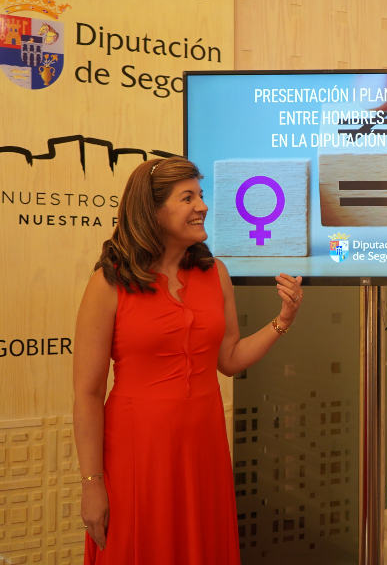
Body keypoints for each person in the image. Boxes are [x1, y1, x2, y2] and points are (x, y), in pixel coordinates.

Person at [73, 157, 303, 564]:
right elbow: (88, 393)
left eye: (201, 194)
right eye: (188, 197)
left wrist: (282, 321)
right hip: (137, 455)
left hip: (204, 450)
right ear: (152, 211)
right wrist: (91, 483)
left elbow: (229, 359)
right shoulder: (108, 282)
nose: (203, 206)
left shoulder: (216, 273)